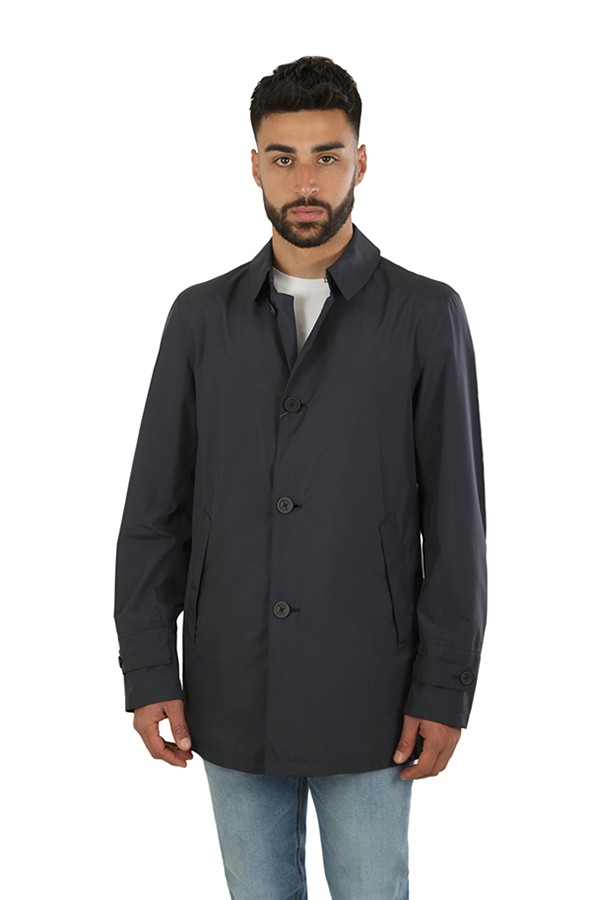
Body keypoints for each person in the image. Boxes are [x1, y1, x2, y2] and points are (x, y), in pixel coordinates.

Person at [114, 56, 487, 900]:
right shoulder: (200, 318)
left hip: (372, 693)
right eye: (283, 158)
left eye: (327, 155)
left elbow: (456, 523)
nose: (306, 181)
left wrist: (445, 687)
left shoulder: (424, 315)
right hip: (229, 689)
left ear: (362, 161)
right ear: (254, 165)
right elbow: (154, 509)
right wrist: (149, 668)